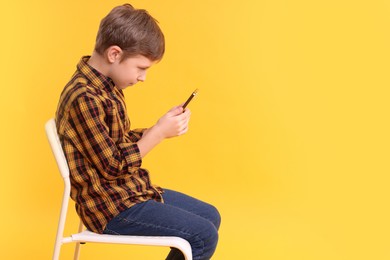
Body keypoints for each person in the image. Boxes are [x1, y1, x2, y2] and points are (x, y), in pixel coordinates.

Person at [55, 3, 220, 260]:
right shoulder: (84, 97)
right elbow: (112, 165)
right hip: (110, 207)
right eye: (141, 68)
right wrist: (158, 135)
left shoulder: (106, 87)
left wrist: (158, 126)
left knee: (211, 216)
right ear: (114, 54)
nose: (143, 77)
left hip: (129, 189)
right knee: (203, 235)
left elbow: (117, 142)